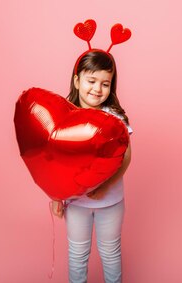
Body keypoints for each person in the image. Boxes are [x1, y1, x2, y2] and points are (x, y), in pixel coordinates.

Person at [50, 49, 133, 283]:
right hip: (76, 202)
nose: (98, 89)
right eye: (92, 80)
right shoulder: (63, 115)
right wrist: (57, 195)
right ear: (77, 80)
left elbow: (126, 158)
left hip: (111, 202)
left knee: (110, 253)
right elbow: (55, 159)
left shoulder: (115, 117)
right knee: (77, 255)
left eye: (105, 83)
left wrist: (107, 186)